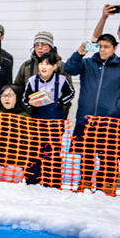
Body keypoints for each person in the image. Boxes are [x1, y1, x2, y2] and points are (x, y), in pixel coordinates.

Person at [64, 34, 120, 194]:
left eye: (107, 47)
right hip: (86, 119)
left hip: (110, 120)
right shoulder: (87, 63)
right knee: (86, 154)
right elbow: (69, 68)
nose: (103, 50)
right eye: (99, 46)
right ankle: (84, 183)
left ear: (114, 48)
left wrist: (117, 106)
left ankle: (107, 186)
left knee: (109, 156)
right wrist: (79, 53)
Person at [22, 55, 74, 187]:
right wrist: (30, 102)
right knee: (35, 150)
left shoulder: (61, 80)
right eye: (41, 64)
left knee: (52, 151)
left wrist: (60, 102)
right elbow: (25, 99)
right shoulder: (33, 80)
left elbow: (71, 93)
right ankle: (32, 180)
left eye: (47, 64)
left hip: (55, 121)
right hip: (37, 121)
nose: (43, 67)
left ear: (54, 66)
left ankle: (53, 182)